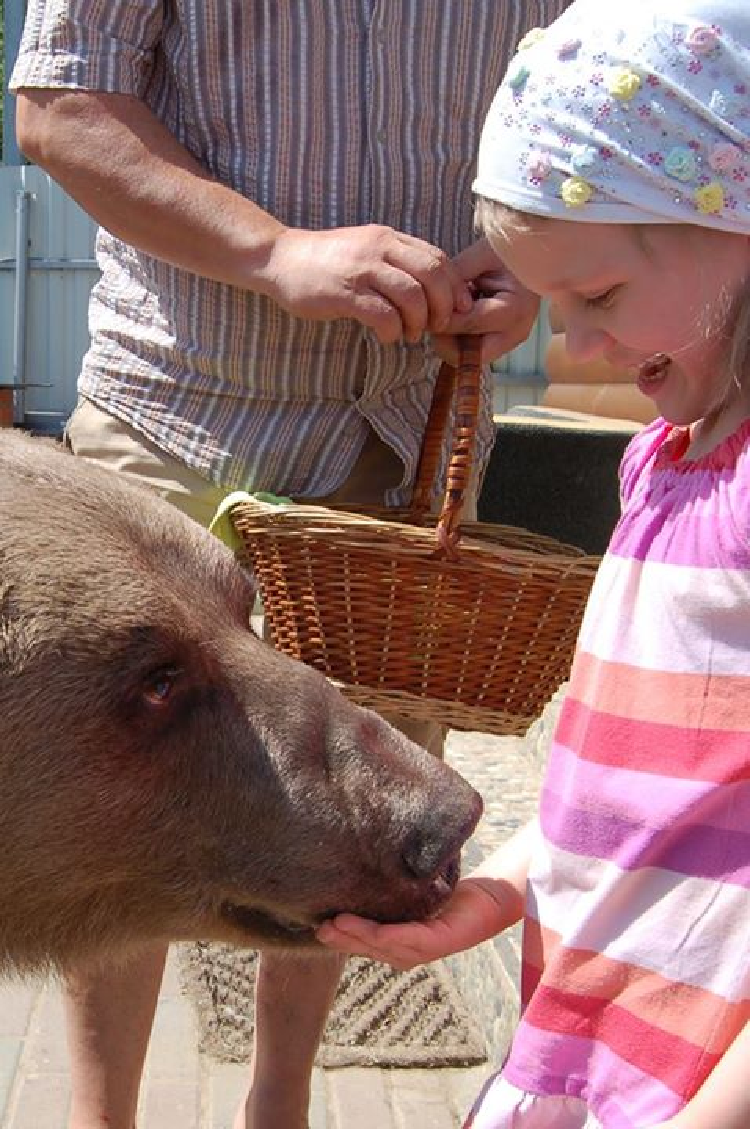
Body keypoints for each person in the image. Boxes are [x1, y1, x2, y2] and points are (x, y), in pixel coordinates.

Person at [9, 3, 573, 1127]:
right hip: (189, 404)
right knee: (125, 785)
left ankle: (282, 1106)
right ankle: (99, 1116)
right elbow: (66, 103)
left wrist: (536, 252)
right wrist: (273, 253)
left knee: (359, 829)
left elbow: (580, 103)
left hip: (412, 429)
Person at [318, 1, 750, 1126]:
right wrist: (506, 889)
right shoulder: (664, 463)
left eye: (598, 296)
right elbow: (630, 787)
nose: (577, 349)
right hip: (593, 1042)